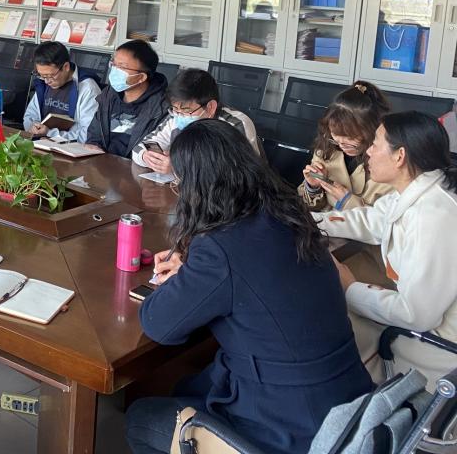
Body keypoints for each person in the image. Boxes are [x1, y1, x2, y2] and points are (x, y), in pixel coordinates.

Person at [125, 119, 373, 454]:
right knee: (188, 383)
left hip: (288, 430)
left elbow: (158, 324)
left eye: (179, 183)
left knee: (141, 417)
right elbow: (258, 272)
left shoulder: (220, 246)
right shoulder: (290, 215)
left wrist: (189, 278)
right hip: (347, 405)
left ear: (197, 186)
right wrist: (194, 273)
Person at [315, 111, 457, 386]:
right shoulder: (417, 191)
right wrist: (309, 221)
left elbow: (416, 315)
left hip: (440, 346)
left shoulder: (434, 217)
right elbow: (371, 220)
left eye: (375, 144)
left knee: (337, 332)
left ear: (399, 156)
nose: (368, 152)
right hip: (423, 318)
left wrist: (350, 288)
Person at [131, 67, 261, 172]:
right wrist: (146, 156)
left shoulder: (236, 124)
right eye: (175, 109)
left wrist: (179, 167)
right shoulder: (175, 118)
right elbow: (140, 147)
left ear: (210, 107)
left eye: (187, 111)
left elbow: (241, 172)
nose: (180, 116)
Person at [301, 81, 392, 211]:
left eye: (350, 136)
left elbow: (385, 218)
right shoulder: (327, 148)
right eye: (336, 136)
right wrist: (313, 188)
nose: (342, 145)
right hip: (323, 222)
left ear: (372, 130)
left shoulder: (389, 165)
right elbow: (309, 207)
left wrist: (348, 201)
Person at [84, 39, 167, 158]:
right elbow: (95, 132)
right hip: (102, 162)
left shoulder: (161, 107)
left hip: (136, 167)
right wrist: (93, 145)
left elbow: (154, 150)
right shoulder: (108, 95)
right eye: (113, 64)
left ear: (141, 77)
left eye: (122, 67)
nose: (114, 70)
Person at [22, 42, 101, 143]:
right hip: (40, 142)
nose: (47, 81)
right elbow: (30, 115)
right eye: (42, 75)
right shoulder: (43, 83)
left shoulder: (88, 89)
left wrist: (51, 134)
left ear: (66, 67)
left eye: (50, 76)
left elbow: (88, 134)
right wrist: (34, 128)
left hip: (70, 148)